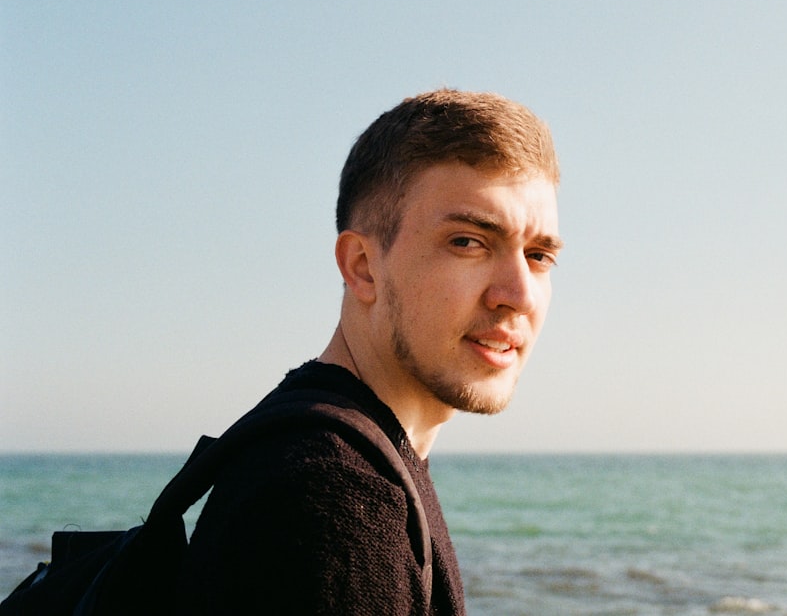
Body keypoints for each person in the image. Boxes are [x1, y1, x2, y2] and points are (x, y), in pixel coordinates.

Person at [173, 89, 562, 615]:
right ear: (362, 266)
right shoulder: (333, 500)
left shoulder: (367, 460)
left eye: (538, 255)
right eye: (468, 241)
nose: (517, 295)